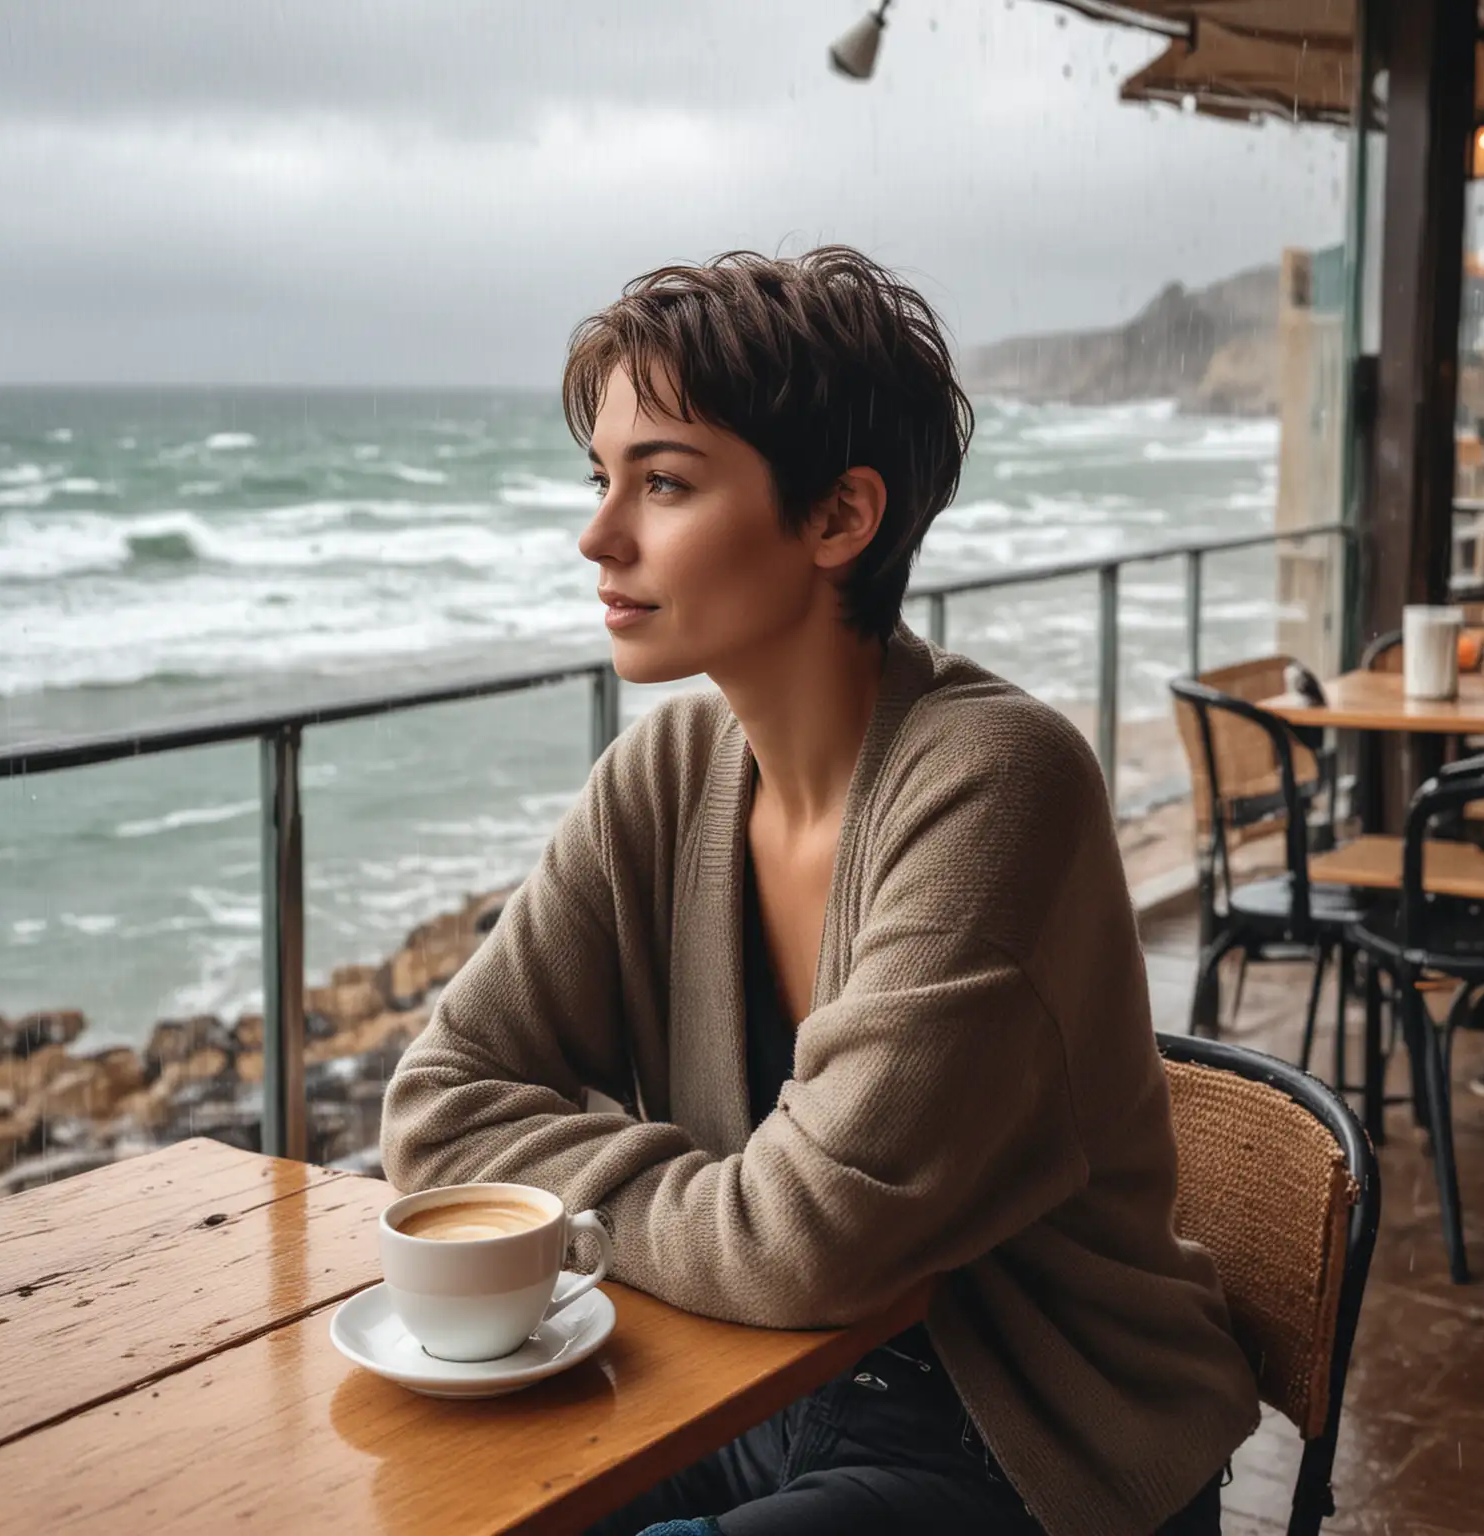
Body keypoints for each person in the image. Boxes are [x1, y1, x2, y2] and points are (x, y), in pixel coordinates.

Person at [380, 246, 1261, 1536]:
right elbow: (437, 1104)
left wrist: (626, 1206)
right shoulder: (666, 776)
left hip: (1017, 1438)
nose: (596, 535)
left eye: (664, 482)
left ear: (840, 518)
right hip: (746, 1376)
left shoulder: (996, 783)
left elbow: (801, 1242)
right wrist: (723, 1216)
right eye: (601, 479)